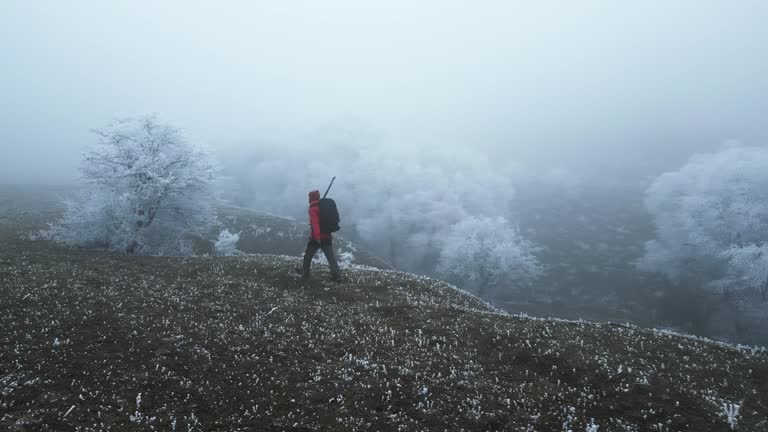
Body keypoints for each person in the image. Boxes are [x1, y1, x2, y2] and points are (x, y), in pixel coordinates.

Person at [302, 190, 342, 283]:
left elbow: (315, 224)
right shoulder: (324, 206)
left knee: (308, 256)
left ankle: (305, 273)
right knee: (331, 258)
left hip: (316, 238)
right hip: (327, 236)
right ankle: (337, 276)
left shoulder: (312, 208)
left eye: (309, 197)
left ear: (311, 198)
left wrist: (316, 238)